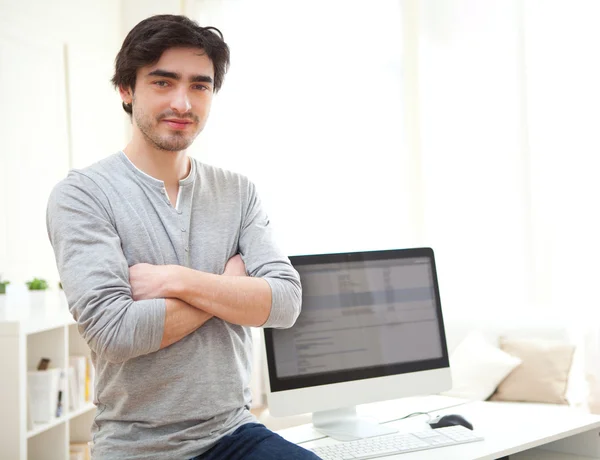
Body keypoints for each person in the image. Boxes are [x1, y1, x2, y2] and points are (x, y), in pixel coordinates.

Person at [46, 14, 319, 460]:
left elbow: (285, 303)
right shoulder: (82, 195)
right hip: (137, 445)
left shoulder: (237, 192)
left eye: (199, 85)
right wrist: (229, 287)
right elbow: (114, 332)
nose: (183, 103)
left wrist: (177, 280)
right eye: (162, 82)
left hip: (234, 432)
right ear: (126, 90)